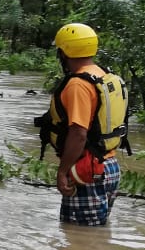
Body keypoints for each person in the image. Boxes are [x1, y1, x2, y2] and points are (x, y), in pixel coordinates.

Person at [47, 22, 123, 226]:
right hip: (110, 167)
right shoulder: (104, 76)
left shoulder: (78, 85)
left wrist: (63, 171)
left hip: (87, 169)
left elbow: (79, 134)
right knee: (95, 239)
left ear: (63, 53)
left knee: (80, 243)